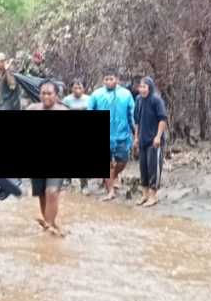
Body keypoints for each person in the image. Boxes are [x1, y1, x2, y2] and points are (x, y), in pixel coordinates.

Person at [88, 67, 136, 201]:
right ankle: (110, 191)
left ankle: (113, 176)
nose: (109, 82)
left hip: (122, 134)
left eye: (111, 79)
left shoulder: (126, 94)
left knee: (123, 160)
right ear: (103, 80)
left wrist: (135, 132)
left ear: (117, 79)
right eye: (106, 79)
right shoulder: (96, 94)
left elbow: (132, 114)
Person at [27, 80, 68, 236]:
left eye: (49, 93)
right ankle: (49, 222)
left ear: (56, 96)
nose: (46, 96)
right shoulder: (32, 109)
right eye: (43, 93)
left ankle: (49, 227)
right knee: (42, 194)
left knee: (52, 191)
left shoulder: (63, 111)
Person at [134, 76, 168, 207]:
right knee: (143, 168)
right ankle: (144, 195)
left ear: (150, 87)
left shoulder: (156, 100)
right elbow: (137, 120)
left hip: (154, 140)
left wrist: (158, 136)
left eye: (144, 87)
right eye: (140, 87)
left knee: (153, 167)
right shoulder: (138, 100)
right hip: (142, 138)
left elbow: (163, 119)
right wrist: (136, 137)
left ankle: (153, 196)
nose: (142, 90)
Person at [62, 78, 91, 194]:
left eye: (80, 88)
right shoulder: (67, 100)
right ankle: (67, 181)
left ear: (84, 89)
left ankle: (84, 185)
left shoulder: (89, 99)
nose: (78, 90)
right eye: (75, 88)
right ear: (71, 88)